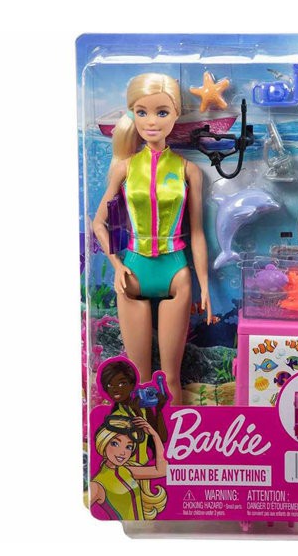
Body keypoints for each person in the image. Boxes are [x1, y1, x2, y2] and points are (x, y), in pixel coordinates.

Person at [93, 73, 211, 405]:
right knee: (140, 377)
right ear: (131, 114)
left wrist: (204, 286)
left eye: (162, 112)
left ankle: (178, 436)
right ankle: (142, 434)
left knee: (171, 378)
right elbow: (99, 223)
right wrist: (116, 264)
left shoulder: (188, 170)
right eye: (141, 112)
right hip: (133, 270)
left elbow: (197, 231)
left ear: (176, 115)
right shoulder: (125, 168)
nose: (151, 122)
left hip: (176, 271)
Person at [89, 416, 167, 521]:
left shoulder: (126, 471)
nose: (123, 452)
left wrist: (154, 435)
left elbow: (162, 470)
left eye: (128, 447)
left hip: (142, 528)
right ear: (104, 442)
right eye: (115, 443)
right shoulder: (97, 485)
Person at [96, 358, 167, 464]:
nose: (115, 389)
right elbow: (138, 438)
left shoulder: (143, 408)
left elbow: (161, 438)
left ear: (132, 385)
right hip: (123, 469)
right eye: (109, 386)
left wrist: (159, 410)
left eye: (121, 384)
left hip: (142, 469)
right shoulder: (114, 418)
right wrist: (137, 412)